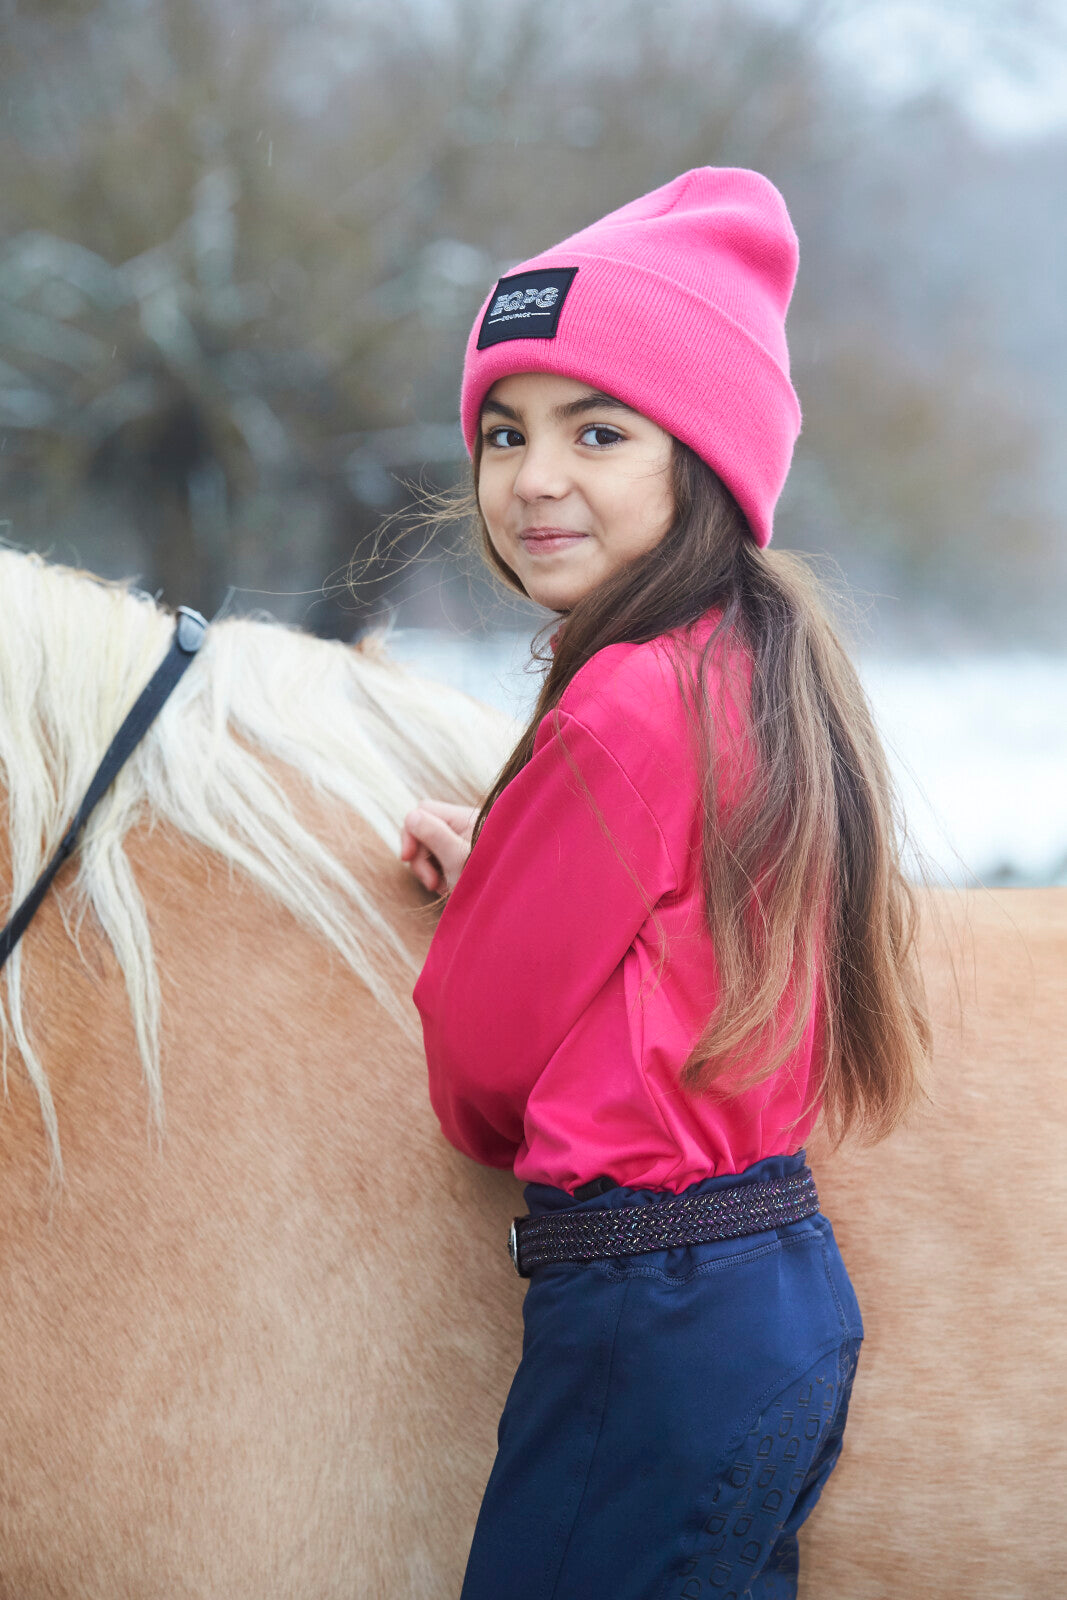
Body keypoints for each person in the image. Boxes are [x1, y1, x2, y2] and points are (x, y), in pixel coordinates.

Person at [398, 168, 931, 1600]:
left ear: (700, 455)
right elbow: (678, 943)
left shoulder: (624, 703)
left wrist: (489, 921)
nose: (534, 478)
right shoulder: (751, 676)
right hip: (775, 1292)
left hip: (647, 1316)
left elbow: (479, 1069)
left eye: (599, 430)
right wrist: (508, 867)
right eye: (504, 432)